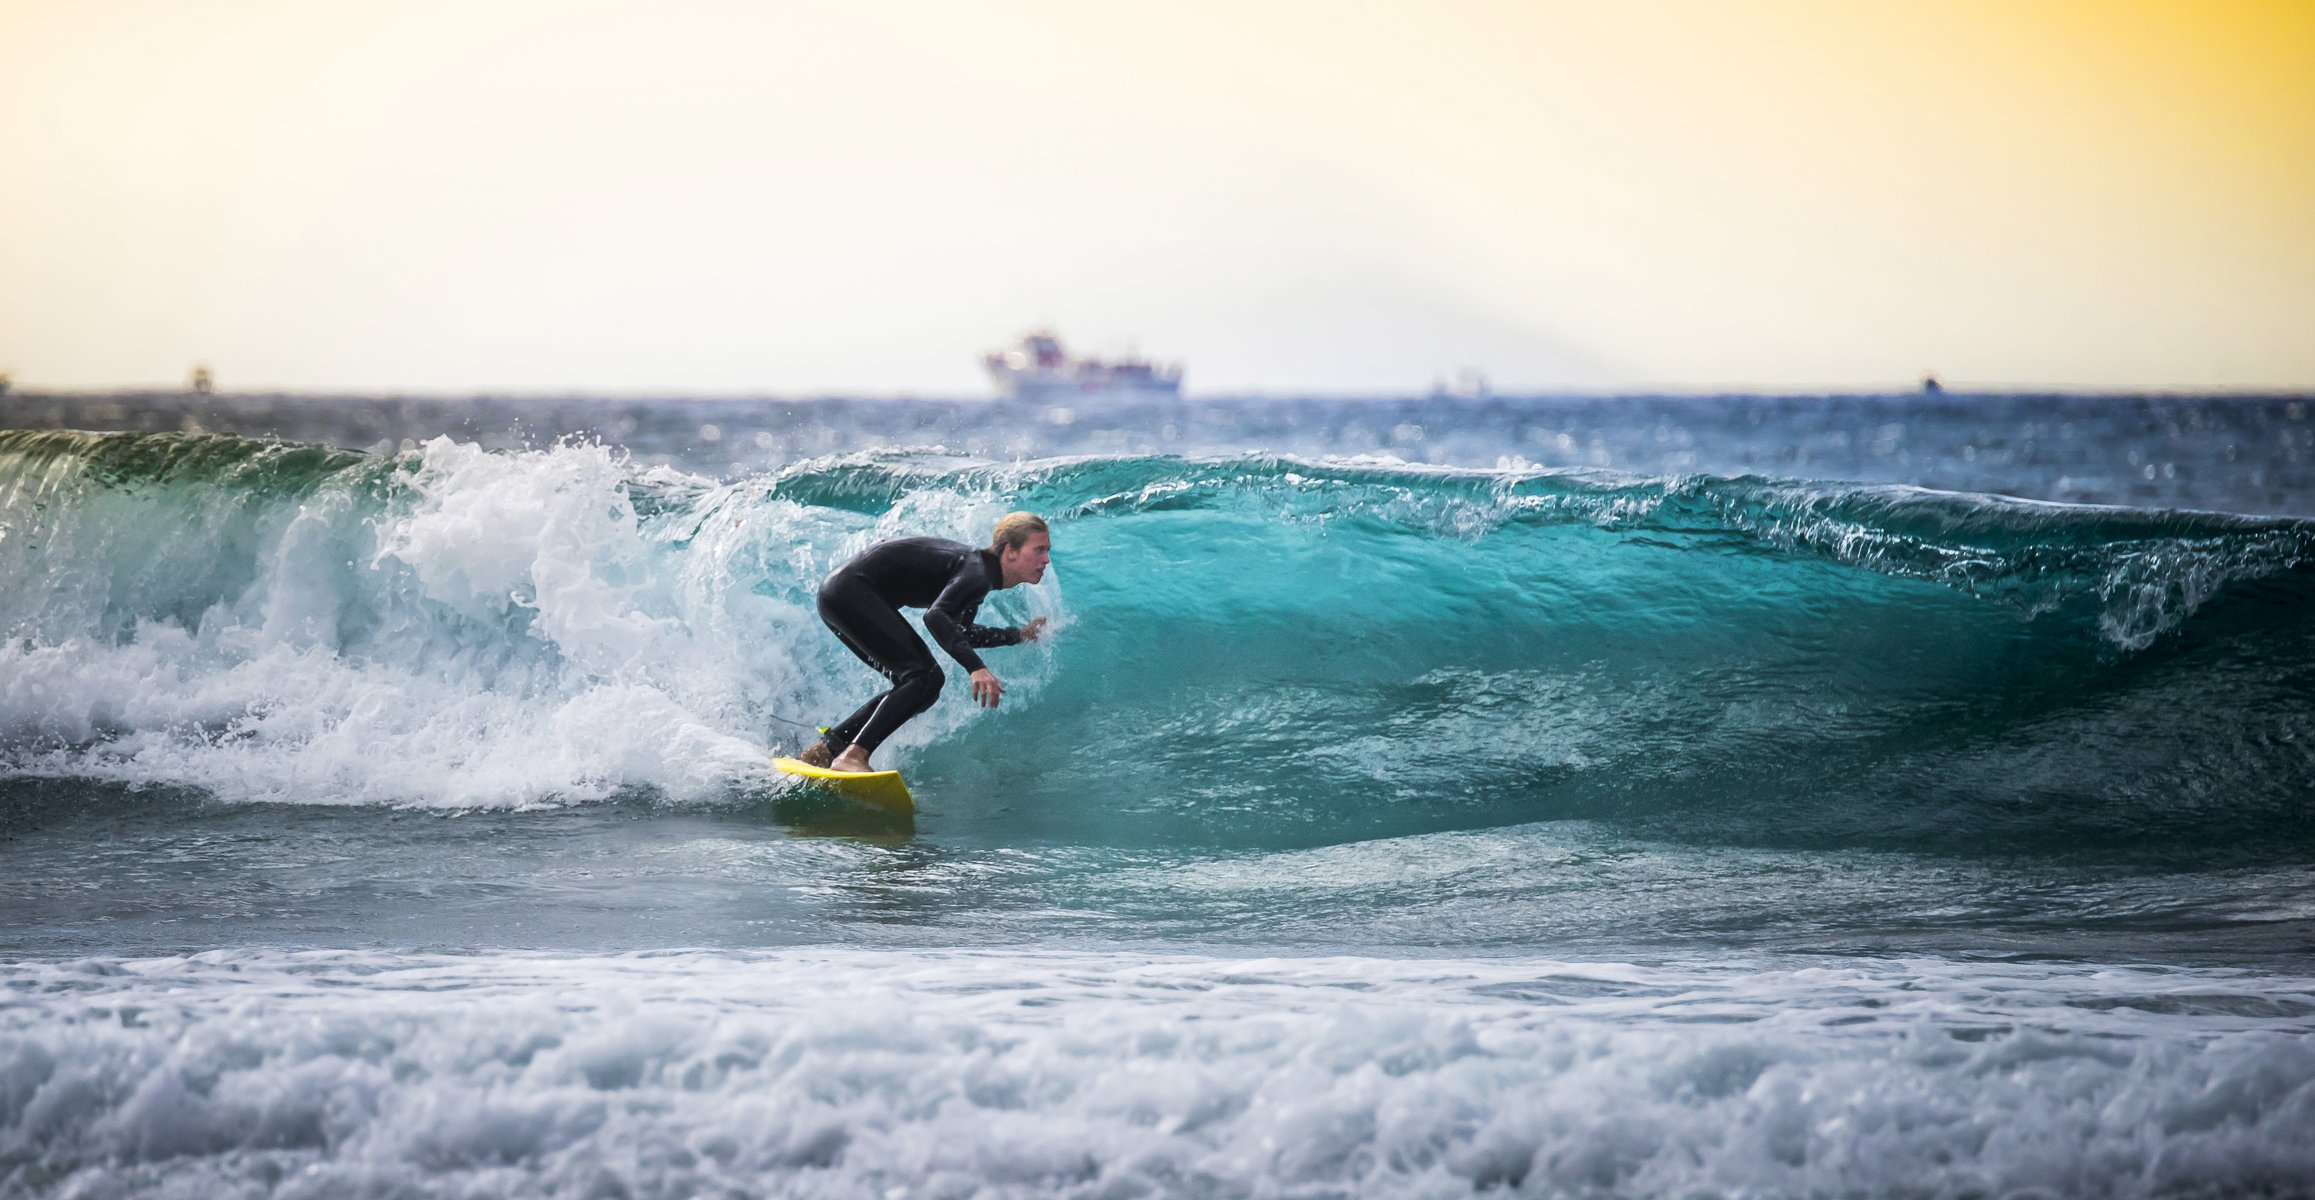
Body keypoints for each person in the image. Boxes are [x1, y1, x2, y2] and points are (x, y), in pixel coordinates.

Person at [798, 513, 1052, 773]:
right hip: (851, 592)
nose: (1046, 559)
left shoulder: (978, 573)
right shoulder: (978, 573)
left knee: (923, 688)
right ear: (1010, 550)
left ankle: (824, 751)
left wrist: (1018, 635)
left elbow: (960, 633)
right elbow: (936, 616)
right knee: (923, 677)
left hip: (841, 594)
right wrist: (975, 668)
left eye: (1047, 551)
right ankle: (853, 756)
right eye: (1039, 550)